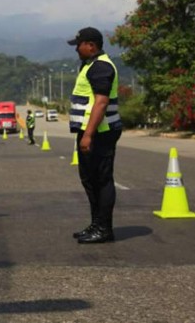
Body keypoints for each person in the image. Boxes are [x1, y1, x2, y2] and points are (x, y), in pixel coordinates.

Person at [67, 27, 122, 244]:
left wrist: (88, 135)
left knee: (102, 179)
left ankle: (104, 229)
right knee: (89, 179)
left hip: (101, 132)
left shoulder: (101, 67)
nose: (76, 49)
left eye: (78, 45)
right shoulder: (90, 65)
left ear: (91, 45)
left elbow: (101, 102)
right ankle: (96, 224)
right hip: (91, 131)